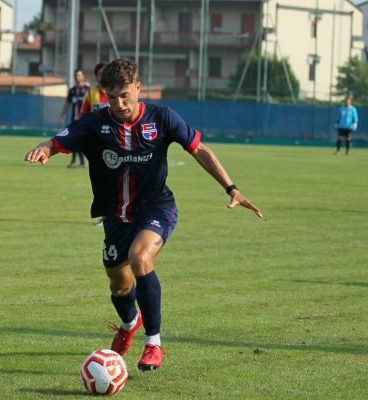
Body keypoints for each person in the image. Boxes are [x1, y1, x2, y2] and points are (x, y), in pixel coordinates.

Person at [24, 58, 262, 371]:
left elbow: (200, 150)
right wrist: (45, 149)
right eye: (112, 97)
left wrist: (232, 188)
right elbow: (57, 141)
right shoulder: (96, 122)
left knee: (140, 258)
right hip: (115, 216)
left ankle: (154, 343)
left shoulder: (162, 117)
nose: (119, 103)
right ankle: (129, 322)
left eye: (125, 94)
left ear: (138, 87)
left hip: (156, 207)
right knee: (119, 286)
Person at [80, 62, 108, 226]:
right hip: (97, 143)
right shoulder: (91, 92)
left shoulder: (116, 92)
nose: (102, 76)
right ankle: (105, 216)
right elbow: (84, 114)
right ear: (97, 76)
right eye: (100, 74)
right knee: (100, 181)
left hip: (114, 141)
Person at [60, 69, 89, 168]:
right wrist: (63, 114)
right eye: (76, 75)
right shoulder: (72, 90)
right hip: (74, 119)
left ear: (83, 76)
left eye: (79, 75)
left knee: (79, 140)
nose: (77, 77)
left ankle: (77, 161)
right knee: (75, 139)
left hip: (84, 119)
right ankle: (79, 162)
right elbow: (67, 104)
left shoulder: (87, 90)